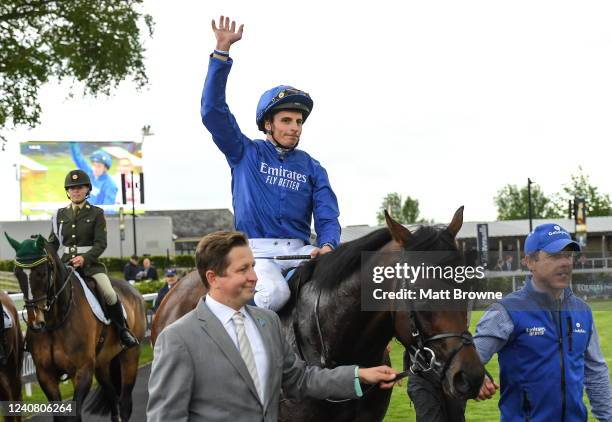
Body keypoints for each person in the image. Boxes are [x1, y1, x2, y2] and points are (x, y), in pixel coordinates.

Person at [147, 231, 399, 422]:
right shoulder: (177, 339)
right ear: (213, 278)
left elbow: (301, 380)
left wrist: (360, 375)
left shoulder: (267, 323)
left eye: (253, 266)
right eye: (243, 269)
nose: (254, 277)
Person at [200, 16, 340, 311]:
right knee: (274, 294)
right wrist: (221, 53)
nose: (295, 127)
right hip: (256, 256)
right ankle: (257, 354)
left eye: (299, 121)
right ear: (268, 124)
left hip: (302, 251)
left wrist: (327, 246)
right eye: (286, 120)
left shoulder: (313, 167)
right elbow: (213, 112)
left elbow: (327, 217)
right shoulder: (244, 152)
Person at [475, 223, 612, 421]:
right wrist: (478, 375)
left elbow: (596, 373)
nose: (565, 262)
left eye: (568, 256)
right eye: (555, 256)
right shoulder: (505, 311)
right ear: (530, 262)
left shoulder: (583, 311)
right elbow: (469, 359)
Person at [48, 169, 139, 348]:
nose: (76, 191)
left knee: (109, 293)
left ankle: (122, 330)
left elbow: (100, 244)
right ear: (67, 191)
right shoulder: (58, 215)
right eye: (72, 188)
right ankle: (39, 333)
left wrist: (84, 258)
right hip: (65, 266)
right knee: (45, 293)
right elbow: (53, 244)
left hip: (90, 266)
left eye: (79, 187)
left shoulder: (96, 213)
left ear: (87, 190)